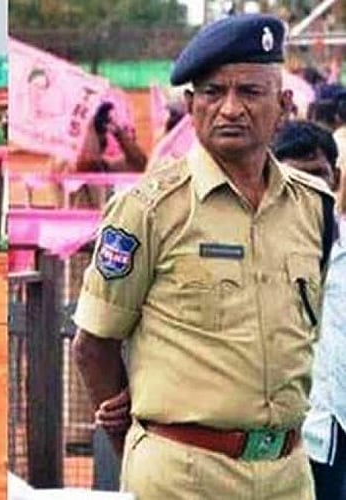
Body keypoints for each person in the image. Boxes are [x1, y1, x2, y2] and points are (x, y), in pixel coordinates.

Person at [71, 14, 335, 500]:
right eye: (213, 93)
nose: (230, 108)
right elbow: (93, 345)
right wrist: (136, 441)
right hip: (184, 477)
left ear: (283, 105)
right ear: (191, 106)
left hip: (289, 475)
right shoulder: (149, 209)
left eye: (250, 93)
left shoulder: (314, 207)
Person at [271, 121, 346, 500]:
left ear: (334, 179)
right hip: (291, 433)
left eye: (318, 175)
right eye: (295, 178)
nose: (309, 189)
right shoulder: (260, 253)